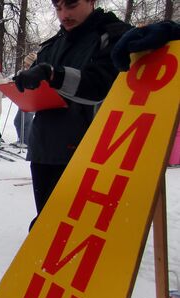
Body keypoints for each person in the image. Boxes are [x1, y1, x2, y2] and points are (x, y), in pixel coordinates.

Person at [12, 0, 131, 227]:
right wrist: (27, 83)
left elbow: (101, 85)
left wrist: (53, 75)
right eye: (58, 8)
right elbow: (43, 81)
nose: (64, 14)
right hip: (44, 148)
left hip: (89, 151)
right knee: (48, 222)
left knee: (81, 228)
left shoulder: (113, 35)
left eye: (71, 5)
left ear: (91, 2)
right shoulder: (52, 44)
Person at [10, 52, 37, 147]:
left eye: (27, 63)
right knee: (18, 122)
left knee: (25, 122)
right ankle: (22, 140)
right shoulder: (24, 72)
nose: (25, 65)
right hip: (22, 101)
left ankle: (25, 142)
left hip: (31, 103)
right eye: (25, 63)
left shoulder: (35, 73)